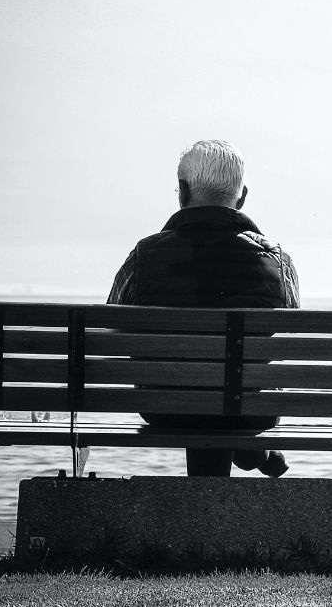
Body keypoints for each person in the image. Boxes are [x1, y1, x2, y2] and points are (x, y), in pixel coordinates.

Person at [108, 139, 300, 477]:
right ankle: (253, 452)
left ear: (182, 192)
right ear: (241, 197)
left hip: (165, 407)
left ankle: (248, 459)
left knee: (205, 396)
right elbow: (289, 335)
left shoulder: (144, 256)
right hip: (251, 409)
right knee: (229, 396)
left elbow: (111, 331)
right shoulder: (276, 260)